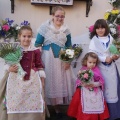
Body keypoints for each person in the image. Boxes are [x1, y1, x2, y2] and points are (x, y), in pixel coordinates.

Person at [35, 6, 75, 116]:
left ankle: (57, 108)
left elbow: (69, 46)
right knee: (49, 81)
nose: (60, 18)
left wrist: (68, 61)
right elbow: (38, 44)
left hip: (62, 59)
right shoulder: (44, 27)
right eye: (57, 16)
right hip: (47, 59)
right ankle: (46, 108)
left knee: (59, 82)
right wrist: (38, 61)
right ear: (52, 16)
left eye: (62, 16)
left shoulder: (66, 29)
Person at [4, 26, 46, 120]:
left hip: (33, 79)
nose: (26, 39)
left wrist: (43, 79)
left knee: (33, 99)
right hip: (16, 79)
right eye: (24, 36)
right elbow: (6, 64)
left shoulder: (35, 51)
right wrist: (9, 68)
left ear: (31, 37)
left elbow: (39, 65)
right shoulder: (14, 49)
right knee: (16, 100)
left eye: (29, 36)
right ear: (19, 36)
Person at [89, 19, 120, 120]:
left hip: (111, 68)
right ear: (95, 29)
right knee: (101, 89)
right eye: (98, 28)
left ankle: (113, 114)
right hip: (99, 69)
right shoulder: (94, 40)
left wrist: (114, 56)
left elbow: (114, 51)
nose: (100, 30)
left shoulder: (110, 38)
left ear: (105, 28)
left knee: (112, 90)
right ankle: (101, 115)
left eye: (102, 27)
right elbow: (91, 54)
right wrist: (103, 58)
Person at [67, 52, 110, 120]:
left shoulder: (96, 70)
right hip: (84, 90)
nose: (92, 64)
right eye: (90, 62)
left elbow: (101, 81)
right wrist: (83, 83)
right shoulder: (82, 70)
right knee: (81, 103)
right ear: (85, 61)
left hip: (95, 90)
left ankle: (96, 116)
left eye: (94, 62)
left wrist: (94, 84)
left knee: (96, 103)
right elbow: (78, 81)